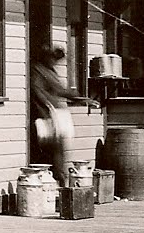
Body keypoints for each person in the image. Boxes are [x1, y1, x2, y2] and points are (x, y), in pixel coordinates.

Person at [31, 46, 99, 184]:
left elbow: (59, 90)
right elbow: (39, 91)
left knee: (58, 148)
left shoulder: (49, 71)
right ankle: (58, 179)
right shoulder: (38, 70)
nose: (54, 62)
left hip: (52, 113)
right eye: (53, 59)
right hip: (45, 114)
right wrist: (47, 105)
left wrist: (80, 99)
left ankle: (59, 178)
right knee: (54, 149)